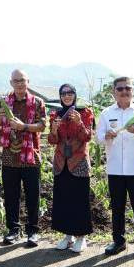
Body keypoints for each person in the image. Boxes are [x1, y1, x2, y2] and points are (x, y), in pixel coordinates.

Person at [96, 77, 134, 258]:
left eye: (127, 88)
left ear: (132, 91)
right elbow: (97, 137)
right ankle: (119, 241)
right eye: (120, 89)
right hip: (115, 169)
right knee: (117, 208)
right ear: (114, 92)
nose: (124, 91)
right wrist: (105, 135)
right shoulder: (106, 113)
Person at [0, 69, 47, 247]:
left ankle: (32, 232)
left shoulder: (38, 102)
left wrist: (24, 126)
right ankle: (13, 230)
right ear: (11, 83)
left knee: (32, 195)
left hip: (31, 156)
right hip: (9, 156)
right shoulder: (4, 103)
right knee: (11, 195)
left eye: (22, 80)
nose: (20, 83)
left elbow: (42, 126)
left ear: (28, 81)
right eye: (16, 81)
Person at [49, 84, 94, 253]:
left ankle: (81, 237)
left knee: (79, 201)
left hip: (79, 162)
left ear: (75, 95)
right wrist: (53, 130)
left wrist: (80, 122)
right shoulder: (56, 115)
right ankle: (68, 236)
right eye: (63, 93)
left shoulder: (85, 112)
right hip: (61, 163)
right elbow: (53, 141)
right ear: (60, 96)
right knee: (63, 200)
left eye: (70, 93)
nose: (67, 96)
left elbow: (87, 136)